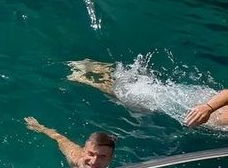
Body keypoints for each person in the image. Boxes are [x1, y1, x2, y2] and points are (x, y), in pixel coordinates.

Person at [67, 59, 228, 129]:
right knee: (134, 97)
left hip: (194, 111)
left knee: (142, 95)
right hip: (198, 106)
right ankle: (87, 74)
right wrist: (208, 107)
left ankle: (95, 70)